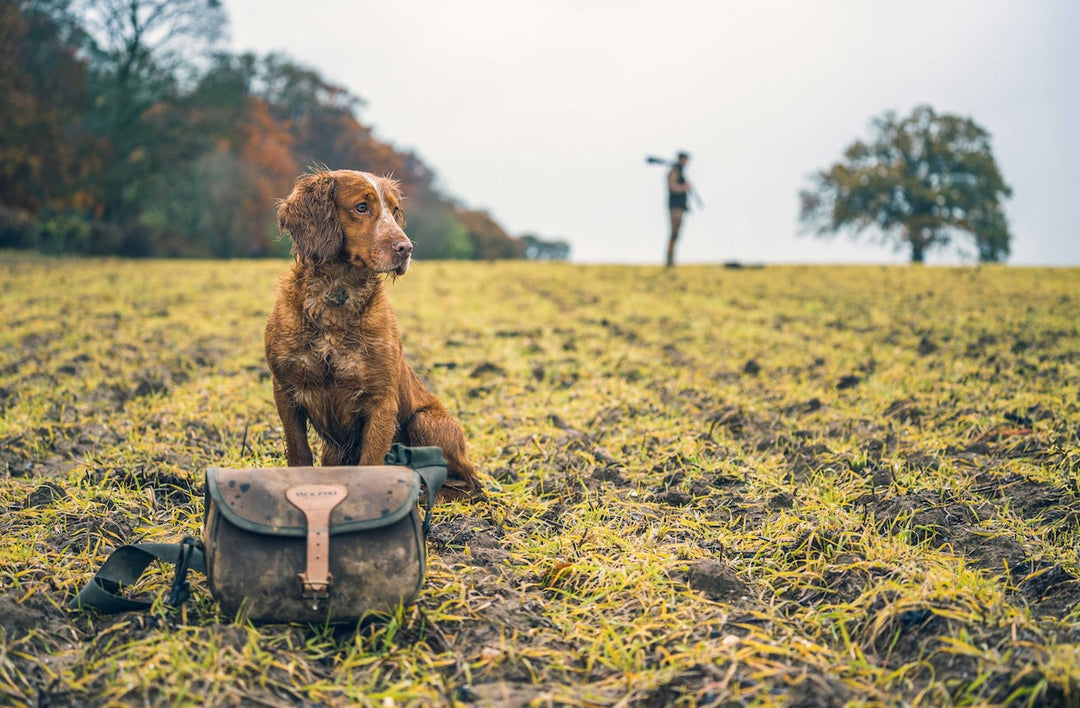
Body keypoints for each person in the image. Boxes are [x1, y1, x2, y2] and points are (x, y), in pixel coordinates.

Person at [666, 151, 692, 267]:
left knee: (676, 233)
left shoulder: (680, 172)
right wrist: (684, 187)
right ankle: (669, 260)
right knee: (674, 233)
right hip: (674, 207)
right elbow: (672, 187)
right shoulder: (674, 172)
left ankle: (672, 259)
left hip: (680, 207)